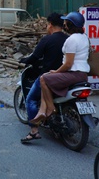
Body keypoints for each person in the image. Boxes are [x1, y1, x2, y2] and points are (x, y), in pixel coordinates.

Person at [30, 11, 90, 125]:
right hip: (82, 74)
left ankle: (51, 108)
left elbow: (68, 64)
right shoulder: (84, 37)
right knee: (47, 79)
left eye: (66, 23)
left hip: (73, 74)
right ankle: (43, 110)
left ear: (70, 25)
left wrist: (56, 71)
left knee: (43, 78)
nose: (64, 25)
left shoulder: (72, 40)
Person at [20, 12, 68, 143]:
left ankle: (34, 131)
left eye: (47, 24)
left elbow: (35, 57)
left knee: (31, 99)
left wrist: (24, 60)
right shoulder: (68, 39)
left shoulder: (47, 40)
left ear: (50, 25)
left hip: (49, 77)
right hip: (67, 76)